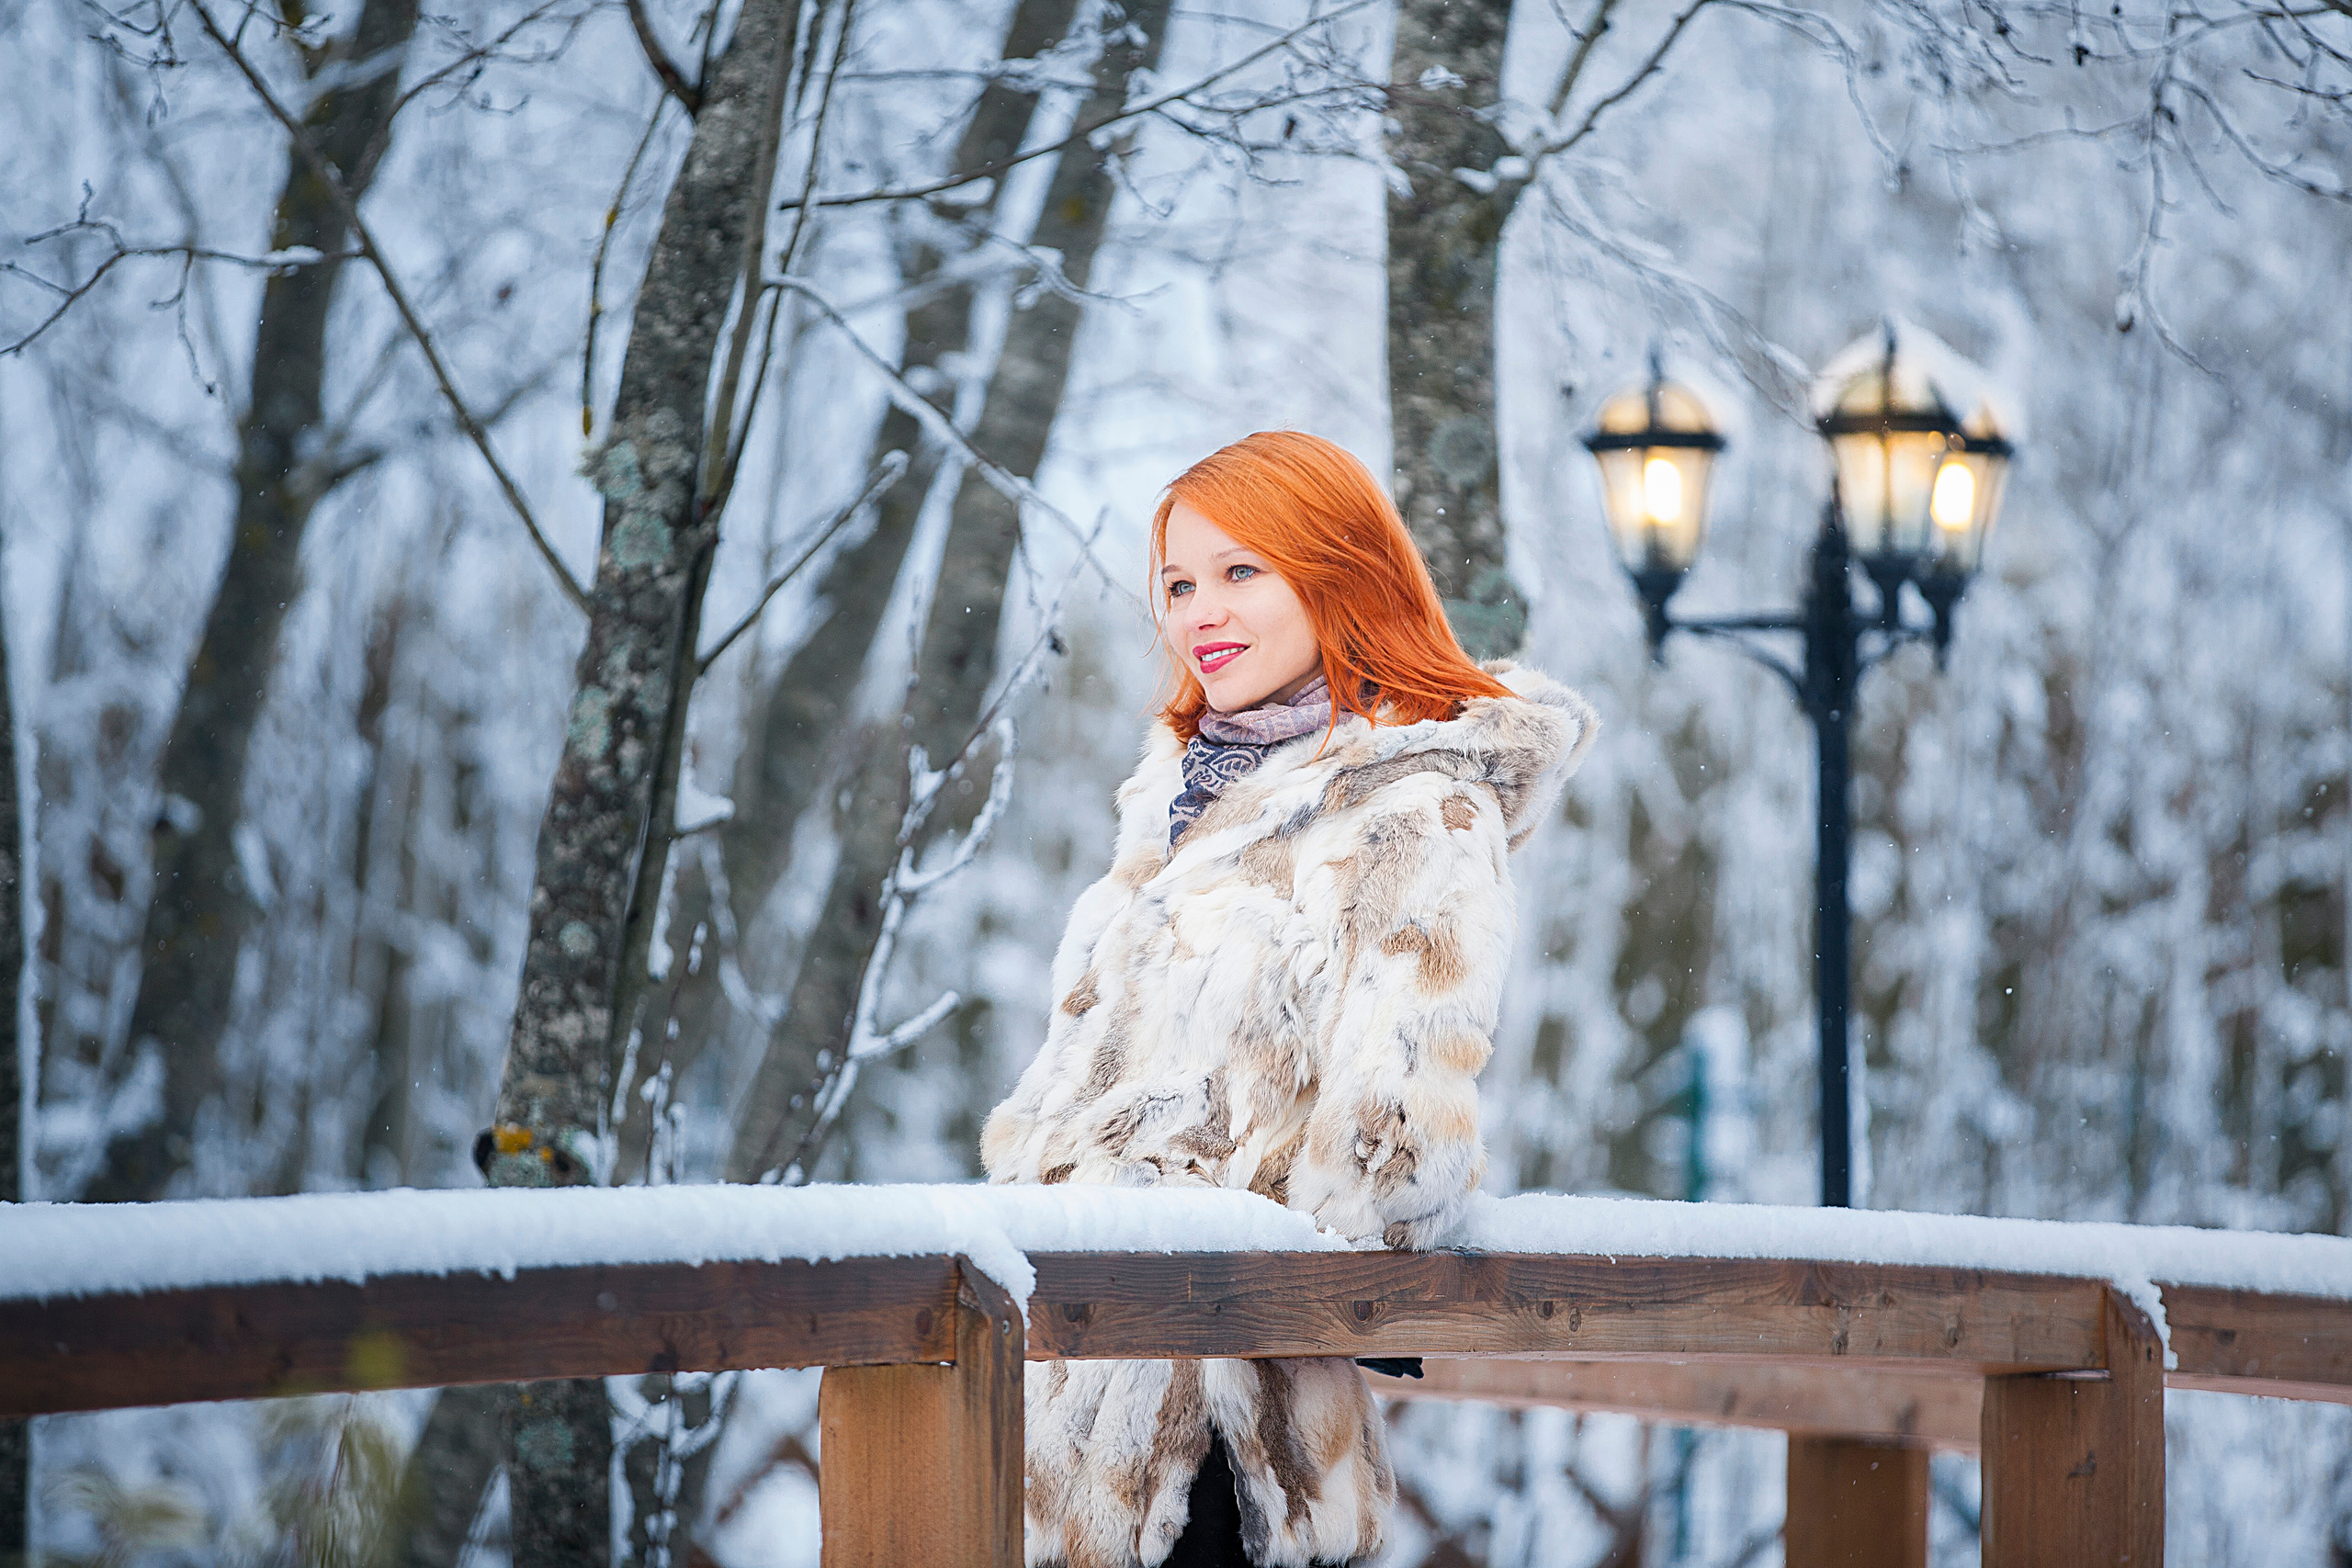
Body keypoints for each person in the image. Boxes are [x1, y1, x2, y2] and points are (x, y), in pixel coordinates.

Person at [982, 431, 1597, 1567]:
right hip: (1064, 1429)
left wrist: (1218, 1233)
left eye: (1240, 571)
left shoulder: (1413, 808)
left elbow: (1393, 1157)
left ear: (1337, 572)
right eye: (1175, 583)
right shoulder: (1180, 801)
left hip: (1225, 1437)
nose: (1198, 612)